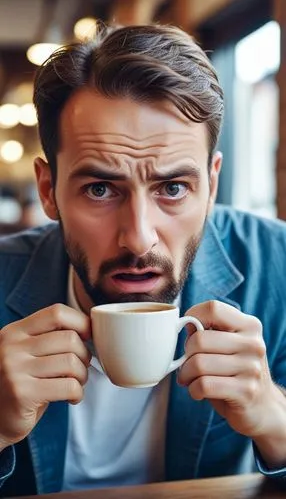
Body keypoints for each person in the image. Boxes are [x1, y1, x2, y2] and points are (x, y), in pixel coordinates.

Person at [0, 24, 286, 497]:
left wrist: (272, 415)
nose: (139, 238)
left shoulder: (275, 265)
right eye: (100, 189)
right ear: (49, 191)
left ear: (211, 186)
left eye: (173, 188)